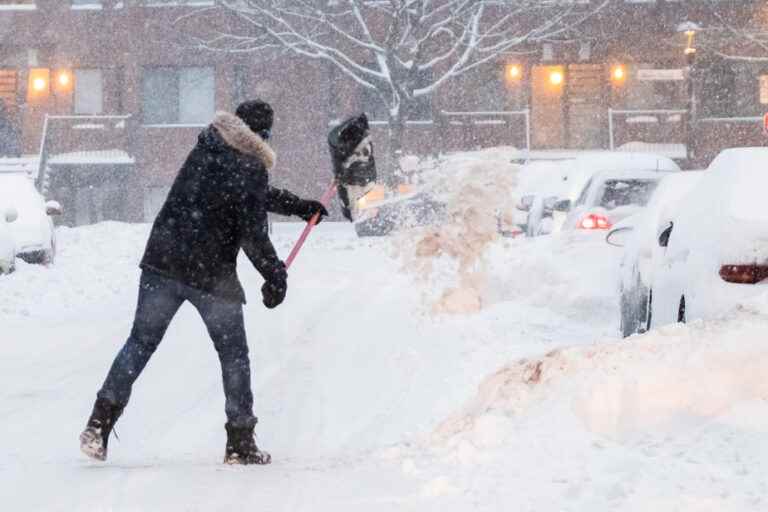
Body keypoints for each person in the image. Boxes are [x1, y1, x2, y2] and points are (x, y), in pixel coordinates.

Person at [79, 99, 328, 465]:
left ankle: (98, 425)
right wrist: (275, 274)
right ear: (263, 134)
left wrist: (299, 206)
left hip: (163, 262)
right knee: (234, 356)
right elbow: (252, 230)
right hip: (211, 276)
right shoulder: (251, 166)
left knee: (141, 343)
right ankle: (240, 443)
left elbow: (246, 198)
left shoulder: (207, 146)